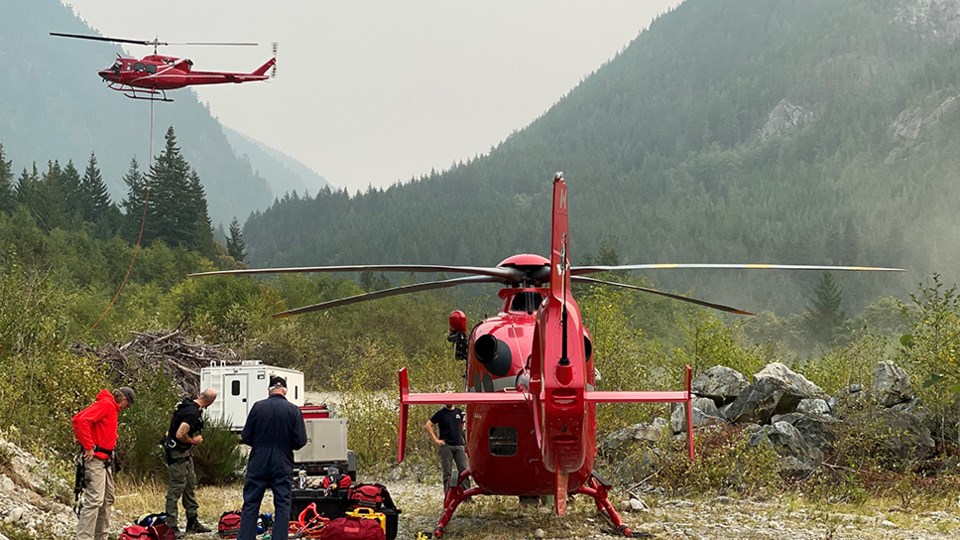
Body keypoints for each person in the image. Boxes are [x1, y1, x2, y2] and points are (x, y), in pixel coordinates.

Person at [238, 376, 307, 540]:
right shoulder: (293, 410)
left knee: (251, 502)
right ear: (285, 390)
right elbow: (300, 441)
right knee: (282, 504)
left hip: (258, 460)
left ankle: (246, 537)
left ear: (269, 389)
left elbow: (246, 436)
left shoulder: (258, 407)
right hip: (282, 461)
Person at [72, 386, 135, 540]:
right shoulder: (106, 405)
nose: (126, 409)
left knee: (107, 499)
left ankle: (101, 537)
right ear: (124, 400)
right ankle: (84, 538)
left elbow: (77, 419)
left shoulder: (110, 407)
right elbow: (81, 421)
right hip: (95, 460)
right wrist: (88, 447)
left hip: (105, 460)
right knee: (94, 500)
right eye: (128, 405)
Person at [164, 388, 218, 537]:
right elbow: (180, 433)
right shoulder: (192, 413)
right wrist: (193, 440)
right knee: (176, 488)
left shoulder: (187, 405)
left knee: (189, 485)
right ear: (211, 402)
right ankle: (171, 526)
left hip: (184, 453)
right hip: (178, 454)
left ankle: (192, 521)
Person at [425, 402, 470, 494]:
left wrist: (466, 442)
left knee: (464, 470)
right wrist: (436, 439)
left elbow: (463, 427)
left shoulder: (459, 412)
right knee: (447, 472)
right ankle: (448, 495)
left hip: (459, 445)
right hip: (446, 446)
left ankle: (467, 495)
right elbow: (428, 425)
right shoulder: (440, 413)